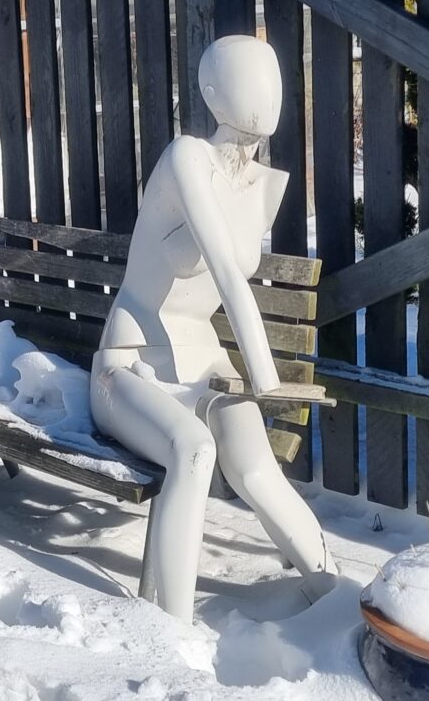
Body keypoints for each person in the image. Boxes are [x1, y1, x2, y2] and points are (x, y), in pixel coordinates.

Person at [90, 36, 337, 623]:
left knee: (256, 468)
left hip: (204, 360)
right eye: (249, 78)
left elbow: (228, 275)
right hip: (131, 362)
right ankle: (171, 627)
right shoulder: (186, 158)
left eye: (271, 78)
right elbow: (226, 270)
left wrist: (256, 382)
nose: (266, 94)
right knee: (194, 449)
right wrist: (267, 379)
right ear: (210, 91)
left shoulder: (262, 184)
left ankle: (339, 598)